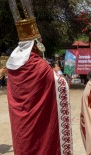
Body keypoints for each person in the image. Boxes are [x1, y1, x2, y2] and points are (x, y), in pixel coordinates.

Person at [6, 2, 73, 154]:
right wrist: (59, 73)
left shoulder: (12, 64)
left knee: (24, 144)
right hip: (37, 122)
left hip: (20, 122)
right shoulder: (38, 64)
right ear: (34, 45)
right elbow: (61, 85)